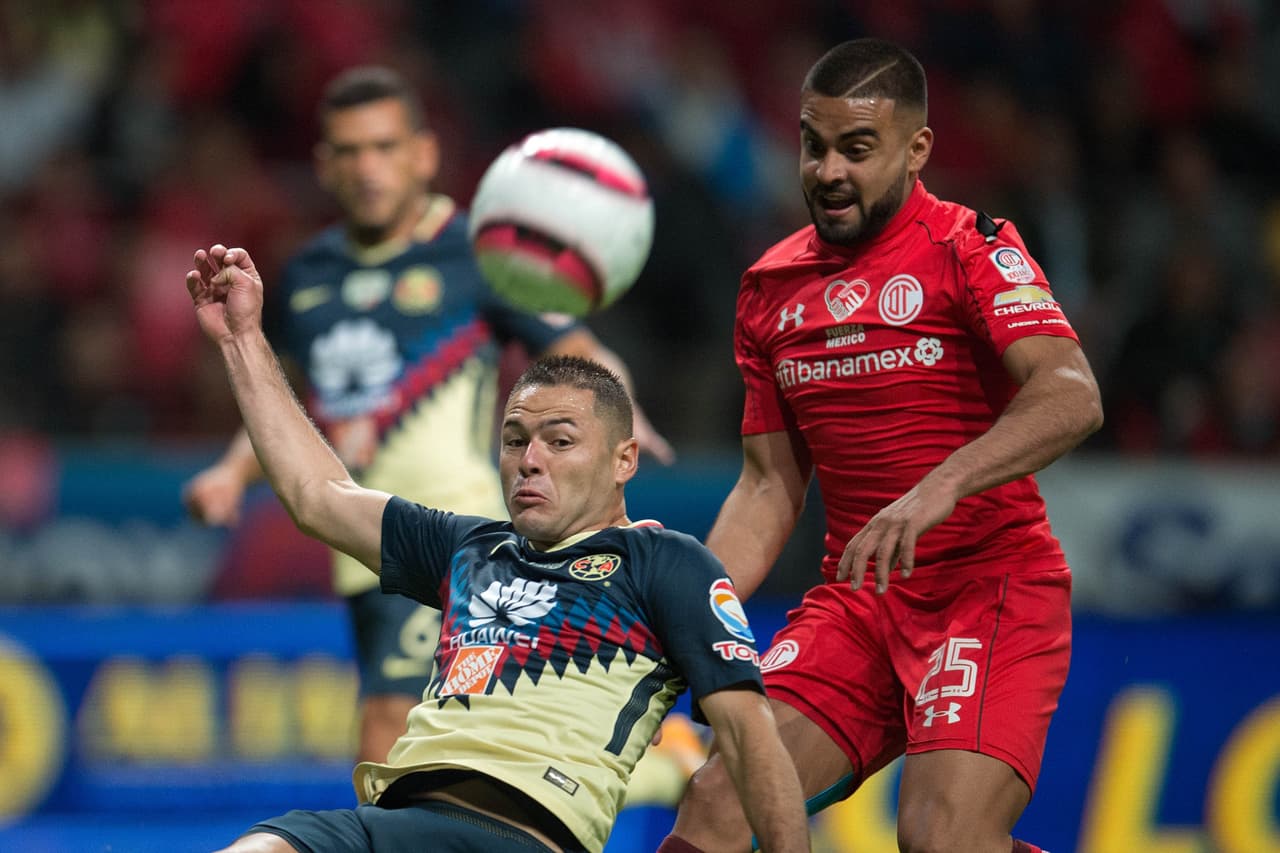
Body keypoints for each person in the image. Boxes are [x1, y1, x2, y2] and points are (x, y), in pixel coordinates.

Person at [184, 242, 809, 853]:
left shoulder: (668, 565)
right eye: (514, 441)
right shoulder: (469, 546)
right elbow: (317, 495)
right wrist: (242, 341)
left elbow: (750, 736)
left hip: (520, 834)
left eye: (559, 442)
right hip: (389, 823)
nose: (529, 461)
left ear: (625, 460)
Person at [661, 38, 1103, 853]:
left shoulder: (971, 248)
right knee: (721, 799)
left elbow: (1072, 394)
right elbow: (766, 488)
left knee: (938, 838)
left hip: (989, 588)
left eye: (857, 149)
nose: (829, 170)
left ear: (916, 148)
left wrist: (942, 485)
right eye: (813, 143)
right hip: (859, 601)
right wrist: (689, 609)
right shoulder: (770, 289)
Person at [181, 65, 677, 768]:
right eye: (349, 152)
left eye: (384, 147)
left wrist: (624, 419)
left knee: (386, 725)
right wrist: (232, 471)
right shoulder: (304, 275)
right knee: (468, 734)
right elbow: (286, 399)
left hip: (452, 528)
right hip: (359, 542)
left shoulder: (481, 250)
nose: (368, 168)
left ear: (424, 154)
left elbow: (577, 349)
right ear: (324, 165)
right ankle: (664, 761)